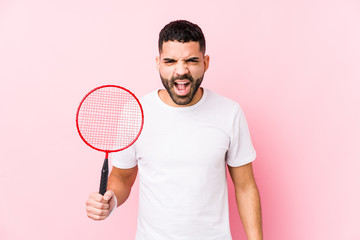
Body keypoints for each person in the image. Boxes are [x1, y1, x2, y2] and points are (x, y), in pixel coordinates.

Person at [86, 20, 263, 240]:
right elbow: (122, 177)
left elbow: (245, 186)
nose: (181, 71)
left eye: (191, 60)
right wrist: (111, 199)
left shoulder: (229, 112)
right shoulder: (135, 113)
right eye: (170, 61)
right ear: (158, 63)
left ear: (205, 63)